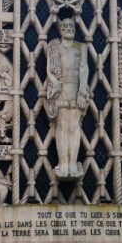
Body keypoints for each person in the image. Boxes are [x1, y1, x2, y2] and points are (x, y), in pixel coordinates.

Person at [45, 16, 89, 181]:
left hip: (76, 89)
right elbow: (50, 69)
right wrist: (55, 84)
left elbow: (84, 68)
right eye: (65, 26)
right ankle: (63, 164)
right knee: (63, 126)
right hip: (61, 88)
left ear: (75, 29)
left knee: (75, 126)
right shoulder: (55, 47)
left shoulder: (81, 47)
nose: (69, 28)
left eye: (71, 26)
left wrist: (83, 91)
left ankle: (72, 163)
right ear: (61, 30)